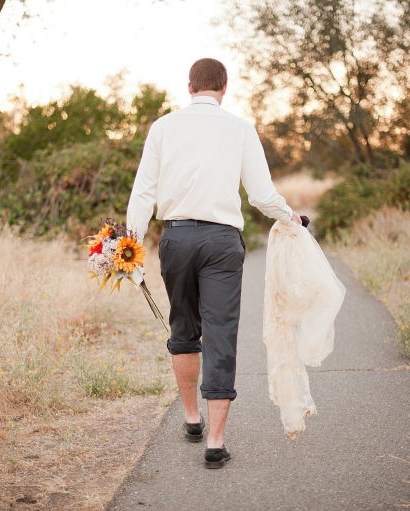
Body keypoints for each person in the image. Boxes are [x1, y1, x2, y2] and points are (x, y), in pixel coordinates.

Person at [126, 57, 301, 469]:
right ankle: (216, 442)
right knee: (221, 332)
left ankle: (191, 418)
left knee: (183, 326)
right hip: (222, 241)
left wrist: (130, 251)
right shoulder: (240, 129)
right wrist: (290, 216)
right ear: (224, 87)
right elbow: (260, 194)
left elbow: (142, 194)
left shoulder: (163, 127)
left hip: (177, 238)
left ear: (189, 87)